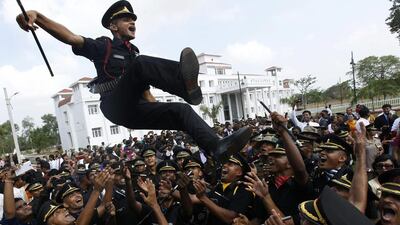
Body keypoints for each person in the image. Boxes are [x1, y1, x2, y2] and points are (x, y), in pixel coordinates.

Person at [16, 0, 251, 161]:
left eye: (133, 19)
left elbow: (147, 94)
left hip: (136, 108)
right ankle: (184, 85)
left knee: (180, 110)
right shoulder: (103, 46)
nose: (133, 22)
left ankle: (216, 147)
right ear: (113, 26)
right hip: (113, 105)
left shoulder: (134, 53)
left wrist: (159, 110)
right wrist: (38, 16)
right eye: (126, 19)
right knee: (142, 63)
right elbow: (70, 37)